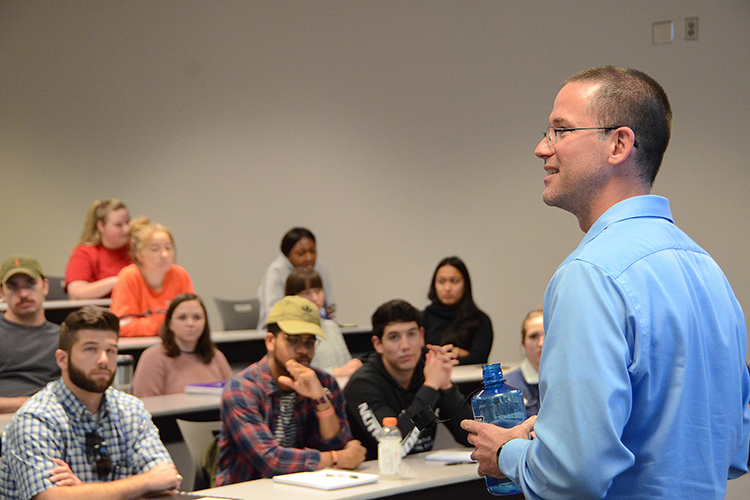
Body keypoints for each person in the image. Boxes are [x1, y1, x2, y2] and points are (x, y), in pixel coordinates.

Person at [461, 66, 750, 499]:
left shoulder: (592, 274)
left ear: (619, 144)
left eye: (560, 130)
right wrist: (557, 429)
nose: (542, 148)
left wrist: (506, 453)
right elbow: (734, 451)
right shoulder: (708, 271)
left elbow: (573, 475)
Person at [0, 306, 181, 499]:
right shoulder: (35, 419)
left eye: (111, 350)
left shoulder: (131, 410)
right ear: (62, 359)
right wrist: (144, 482)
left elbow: (167, 481)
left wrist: (83, 491)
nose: (103, 360)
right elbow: (51, 497)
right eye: (91, 349)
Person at [216, 296, 365, 483]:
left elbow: (339, 445)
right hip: (245, 492)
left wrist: (320, 399)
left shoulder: (323, 382)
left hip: (305, 489)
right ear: (270, 341)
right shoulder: (242, 389)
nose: (303, 350)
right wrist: (334, 459)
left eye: (310, 342)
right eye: (293, 341)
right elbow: (271, 461)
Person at [344, 299, 472, 461]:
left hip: (422, 473)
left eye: (411, 334)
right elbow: (396, 447)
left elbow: (472, 437)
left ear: (422, 336)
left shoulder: (428, 369)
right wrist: (431, 387)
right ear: (378, 344)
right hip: (378, 478)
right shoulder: (362, 385)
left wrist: (446, 386)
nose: (405, 345)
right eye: (394, 337)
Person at [132, 293, 233, 397]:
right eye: (182, 317)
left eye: (197, 317)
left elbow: (232, 396)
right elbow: (147, 403)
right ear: (170, 324)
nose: (190, 323)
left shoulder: (216, 356)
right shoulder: (152, 358)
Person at [110, 216, 195, 337]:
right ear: (139, 255)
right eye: (155, 249)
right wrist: (167, 324)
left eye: (168, 248)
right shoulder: (129, 276)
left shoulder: (180, 275)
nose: (164, 254)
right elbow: (122, 326)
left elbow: (192, 320)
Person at [0, 254, 60, 413]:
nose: (23, 294)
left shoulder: (63, 337)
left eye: (30, 284)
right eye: (13, 287)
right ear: (2, 293)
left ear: (45, 287)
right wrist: (25, 403)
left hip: (51, 419)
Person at [285, 268, 362, 378]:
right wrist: (336, 373)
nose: (315, 298)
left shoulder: (330, 326)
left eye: (318, 291)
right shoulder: (291, 332)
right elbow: (295, 372)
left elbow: (346, 364)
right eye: (306, 293)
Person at [256, 227, 336, 328]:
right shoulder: (277, 271)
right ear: (288, 255)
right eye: (301, 254)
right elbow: (273, 313)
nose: (309, 258)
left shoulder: (320, 267)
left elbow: (331, 305)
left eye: (312, 251)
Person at [422, 256, 494, 365]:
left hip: (468, 381)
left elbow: (478, 360)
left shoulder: (480, 321)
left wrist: (437, 356)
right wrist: (456, 353)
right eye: (441, 281)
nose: (447, 288)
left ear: (465, 285)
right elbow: (418, 358)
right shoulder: (423, 318)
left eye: (454, 281)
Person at [64, 199, 132, 300]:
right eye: (118, 225)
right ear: (101, 226)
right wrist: (117, 282)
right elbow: (75, 291)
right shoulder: (85, 252)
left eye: (127, 222)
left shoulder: (136, 250)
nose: (126, 229)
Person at [504, 308, 543, 417]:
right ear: (523, 343)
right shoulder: (508, 386)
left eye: (548, 334)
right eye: (533, 336)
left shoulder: (573, 381)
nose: (541, 343)